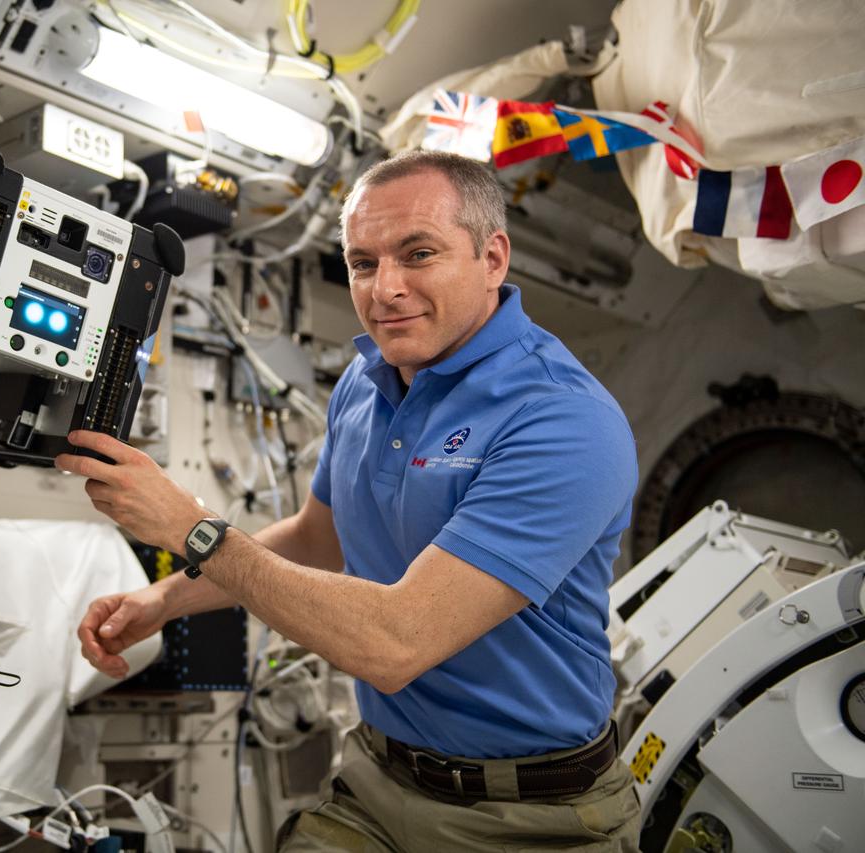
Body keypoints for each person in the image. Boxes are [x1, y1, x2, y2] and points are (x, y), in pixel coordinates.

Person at [55, 150, 640, 852]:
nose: (385, 288)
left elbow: (397, 643)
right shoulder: (365, 387)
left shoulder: (563, 417)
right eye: (363, 263)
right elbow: (314, 538)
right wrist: (162, 602)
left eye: (417, 253)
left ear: (493, 258)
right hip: (377, 774)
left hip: (530, 812)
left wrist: (194, 528)